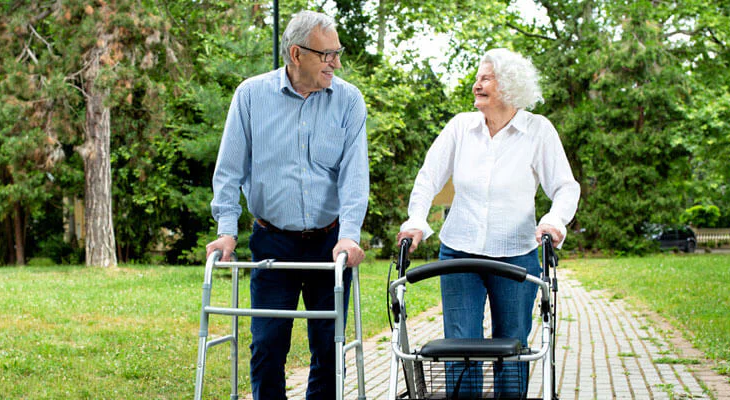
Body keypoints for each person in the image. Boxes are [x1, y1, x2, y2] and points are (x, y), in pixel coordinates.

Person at [396, 48, 579, 396]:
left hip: (517, 254)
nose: (476, 84)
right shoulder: (460, 128)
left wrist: (554, 221)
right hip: (459, 254)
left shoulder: (538, 131)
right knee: (460, 349)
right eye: (478, 78)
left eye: (486, 78)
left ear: (509, 87)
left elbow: (565, 187)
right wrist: (416, 220)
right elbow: (428, 179)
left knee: (512, 351)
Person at [205, 10, 369, 400]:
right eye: (327, 55)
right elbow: (229, 170)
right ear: (296, 54)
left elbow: (354, 178)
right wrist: (226, 230)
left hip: (329, 245)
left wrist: (349, 236)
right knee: (267, 346)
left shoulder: (348, 101)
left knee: (329, 349)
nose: (337, 63)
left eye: (338, 53)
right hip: (272, 242)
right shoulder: (250, 96)